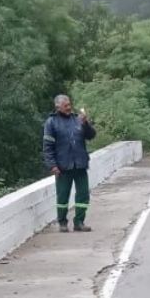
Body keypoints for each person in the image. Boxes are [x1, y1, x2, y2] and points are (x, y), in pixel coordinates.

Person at [43, 94, 97, 232]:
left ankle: (79, 222)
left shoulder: (77, 119)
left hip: (80, 164)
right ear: (58, 106)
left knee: (83, 195)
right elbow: (47, 147)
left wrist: (86, 123)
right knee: (62, 196)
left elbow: (91, 136)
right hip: (62, 166)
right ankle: (62, 223)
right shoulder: (51, 122)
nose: (69, 107)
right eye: (65, 105)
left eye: (69, 104)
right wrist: (52, 165)